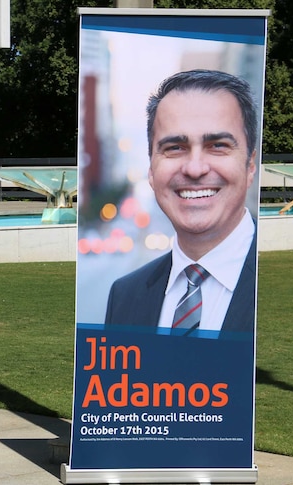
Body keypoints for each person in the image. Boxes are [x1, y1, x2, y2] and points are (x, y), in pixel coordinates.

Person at [104, 69, 258, 336]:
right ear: (151, 170)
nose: (195, 169)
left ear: (251, 166)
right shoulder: (124, 296)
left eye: (218, 145)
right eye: (174, 148)